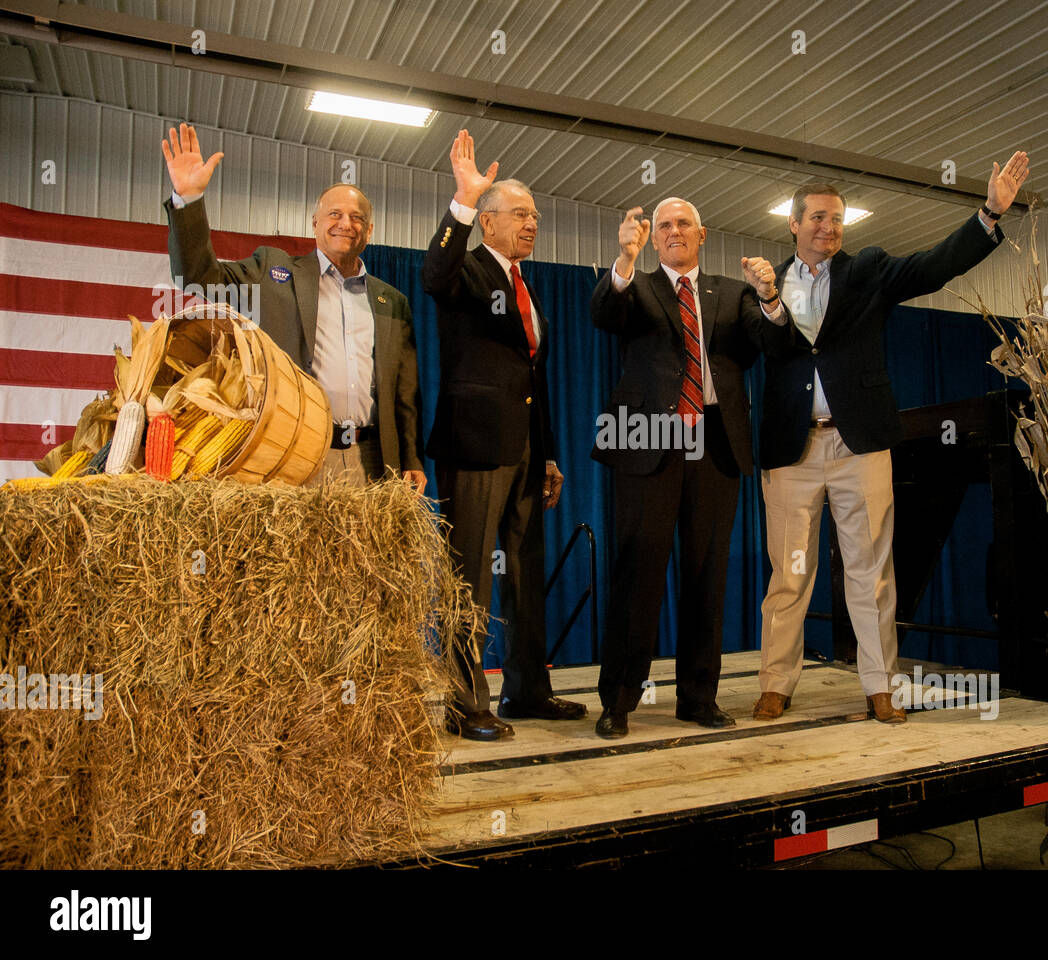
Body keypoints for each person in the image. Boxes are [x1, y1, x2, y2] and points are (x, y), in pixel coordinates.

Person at [752, 152, 1030, 725]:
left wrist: (988, 215)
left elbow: (933, 266)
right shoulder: (765, 285)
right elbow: (766, 352)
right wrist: (768, 304)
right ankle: (775, 684)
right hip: (791, 451)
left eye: (837, 219)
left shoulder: (869, 269)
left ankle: (880, 686)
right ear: (794, 223)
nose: (829, 227)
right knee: (790, 574)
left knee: (872, 570)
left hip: (861, 446)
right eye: (818, 218)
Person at [591, 199, 786, 739]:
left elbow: (770, 343)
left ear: (702, 234)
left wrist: (770, 296)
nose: (675, 232)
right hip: (648, 441)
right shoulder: (638, 286)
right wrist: (624, 261)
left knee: (707, 574)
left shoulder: (733, 291)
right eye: (665, 226)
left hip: (715, 445)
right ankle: (620, 702)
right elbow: (605, 315)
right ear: (654, 239)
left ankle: (698, 699)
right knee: (638, 574)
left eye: (684, 225)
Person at [422, 129, 583, 742]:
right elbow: (432, 273)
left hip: (524, 452)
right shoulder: (466, 269)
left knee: (523, 573)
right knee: (470, 576)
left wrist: (546, 455)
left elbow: (530, 379)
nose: (532, 223)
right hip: (474, 448)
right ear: (486, 222)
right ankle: (465, 705)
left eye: (536, 215)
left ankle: (528, 691)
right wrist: (460, 200)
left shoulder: (526, 284)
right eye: (520, 213)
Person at [161, 123, 424, 491]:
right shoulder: (274, 272)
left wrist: (411, 458)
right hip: (296, 454)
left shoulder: (392, 301)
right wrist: (188, 200)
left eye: (357, 218)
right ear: (315, 224)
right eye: (334, 214)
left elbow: (404, 394)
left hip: (372, 463)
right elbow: (197, 277)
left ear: (369, 231)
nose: (345, 224)